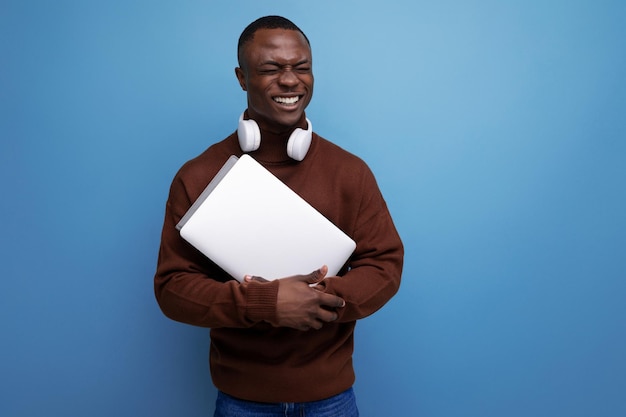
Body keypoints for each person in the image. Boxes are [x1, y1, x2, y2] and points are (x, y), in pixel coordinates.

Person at [154, 15, 404, 417]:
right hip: (241, 403)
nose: (290, 81)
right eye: (271, 69)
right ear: (241, 77)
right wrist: (265, 303)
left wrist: (320, 298)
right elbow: (172, 289)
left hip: (334, 401)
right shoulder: (198, 176)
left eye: (301, 67)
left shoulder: (350, 172)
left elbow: (385, 266)